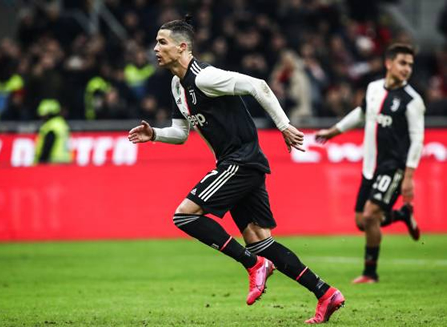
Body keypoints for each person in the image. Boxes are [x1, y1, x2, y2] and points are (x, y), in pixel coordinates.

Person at [128, 16, 345, 324]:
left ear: (182, 47)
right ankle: (325, 293)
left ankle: (252, 264)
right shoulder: (178, 85)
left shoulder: (205, 77)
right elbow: (182, 134)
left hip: (239, 161)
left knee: (184, 215)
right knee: (260, 241)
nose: (155, 48)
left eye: (162, 42)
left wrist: (283, 126)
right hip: (241, 163)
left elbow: (258, 85)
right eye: (156, 42)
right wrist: (155, 135)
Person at [315, 43, 425, 284]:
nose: (407, 69)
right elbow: (362, 113)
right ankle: (402, 215)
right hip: (370, 166)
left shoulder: (412, 100)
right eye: (402, 63)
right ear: (389, 63)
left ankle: (370, 273)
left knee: (370, 214)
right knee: (362, 221)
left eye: (410, 65)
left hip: (394, 166)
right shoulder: (374, 88)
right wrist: (335, 131)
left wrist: (408, 177)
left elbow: (418, 139)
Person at [34, 99, 73, 164]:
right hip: (65, 162)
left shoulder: (51, 126)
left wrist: (41, 161)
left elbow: (47, 147)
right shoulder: (61, 124)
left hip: (53, 163)